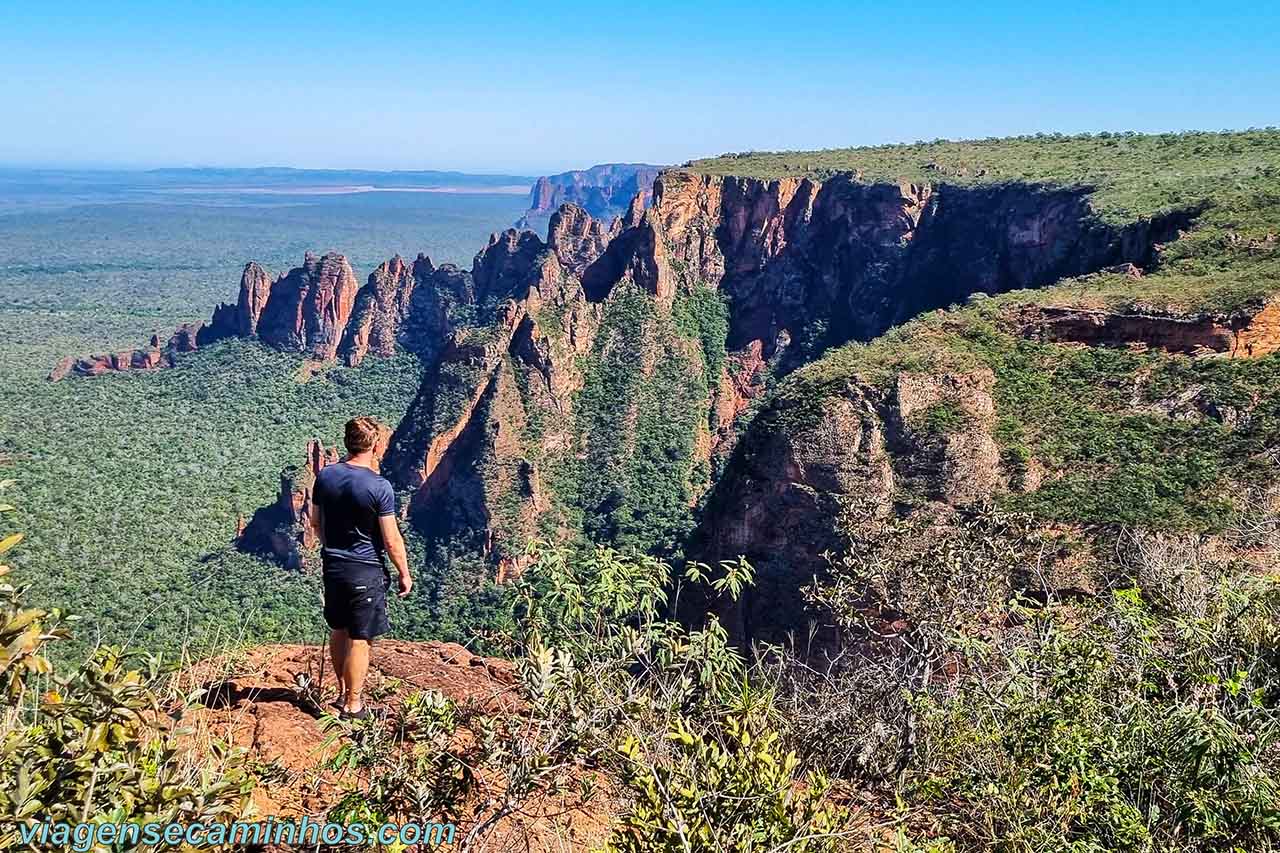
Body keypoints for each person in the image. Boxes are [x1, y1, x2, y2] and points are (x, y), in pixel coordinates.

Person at [310, 416, 412, 719]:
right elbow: (391, 539)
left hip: (333, 566)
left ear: (347, 442)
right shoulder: (379, 487)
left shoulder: (325, 476)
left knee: (339, 628)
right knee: (360, 637)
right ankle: (354, 706)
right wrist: (404, 573)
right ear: (376, 445)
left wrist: (334, 548)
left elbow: (315, 523)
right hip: (364, 571)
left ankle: (342, 693)